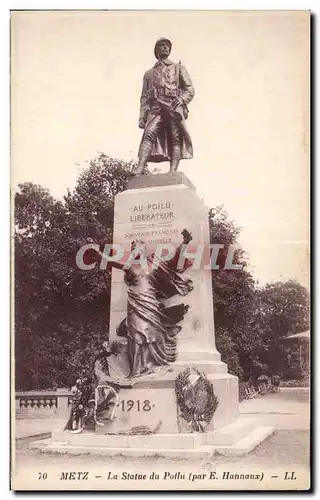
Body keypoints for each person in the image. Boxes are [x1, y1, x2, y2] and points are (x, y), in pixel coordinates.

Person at [95, 229, 194, 378]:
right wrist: (98, 254)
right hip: (135, 302)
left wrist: (185, 242)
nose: (136, 250)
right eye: (133, 248)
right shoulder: (129, 266)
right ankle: (136, 370)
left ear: (145, 250)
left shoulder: (154, 264)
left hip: (150, 302)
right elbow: (111, 262)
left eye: (139, 247)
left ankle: (158, 364)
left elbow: (174, 260)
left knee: (153, 332)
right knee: (134, 334)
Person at [136, 38, 195, 174]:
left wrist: (182, 99)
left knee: (175, 137)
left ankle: (172, 171)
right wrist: (142, 116)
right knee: (148, 134)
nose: (165, 47)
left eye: (167, 46)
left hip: (173, 106)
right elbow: (144, 97)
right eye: (162, 45)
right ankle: (140, 168)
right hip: (156, 107)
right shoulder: (148, 74)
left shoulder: (178, 68)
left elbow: (190, 89)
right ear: (156, 50)